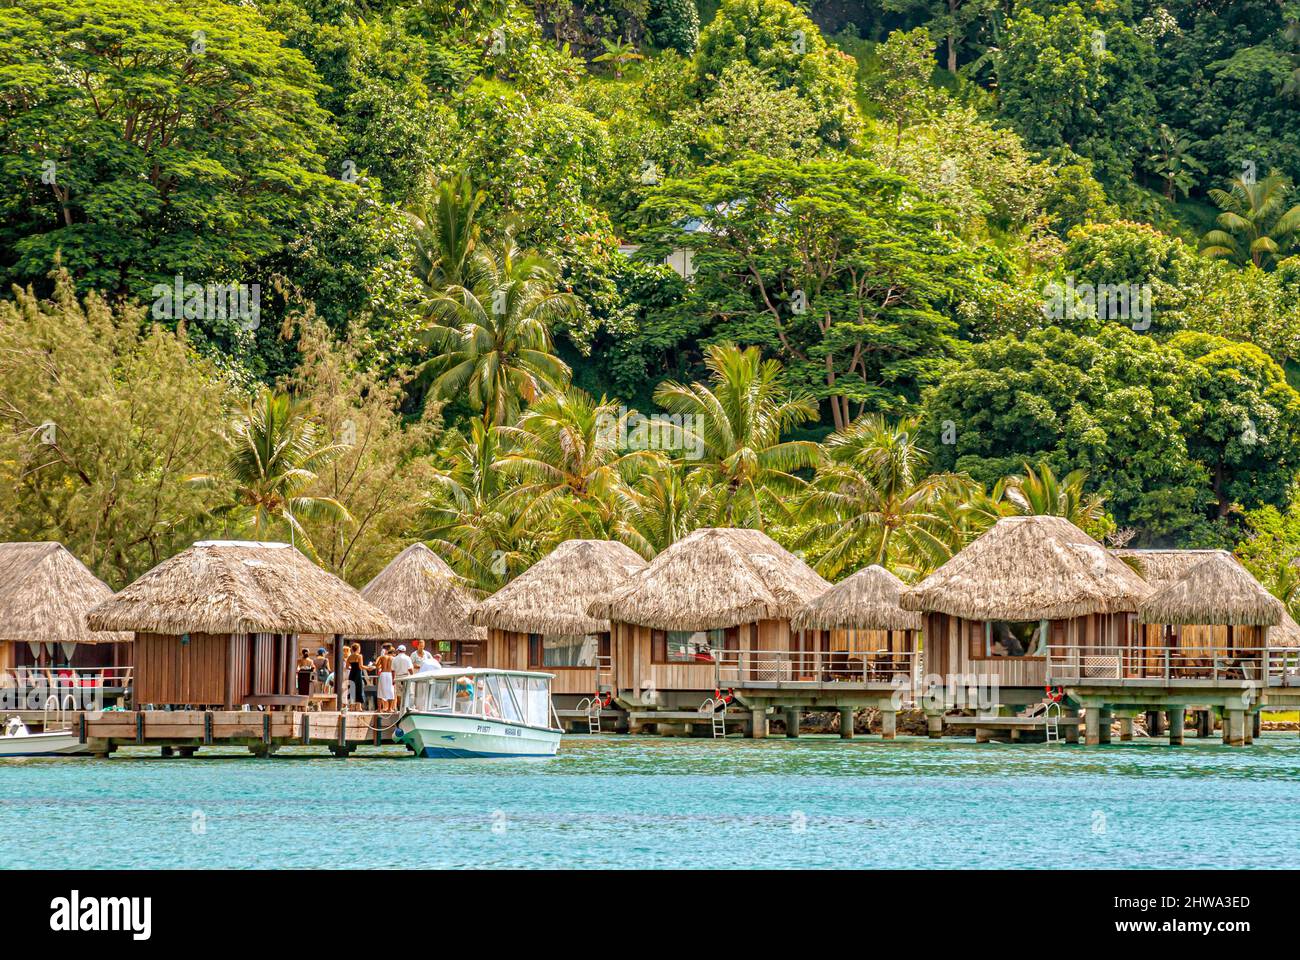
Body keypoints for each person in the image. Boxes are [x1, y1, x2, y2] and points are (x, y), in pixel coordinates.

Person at [346, 643, 369, 712]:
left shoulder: (349, 657)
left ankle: (352, 707)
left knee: (352, 688)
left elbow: (347, 667)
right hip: (358, 673)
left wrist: (352, 669)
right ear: (358, 648)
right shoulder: (359, 656)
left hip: (352, 673)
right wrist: (368, 668)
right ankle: (358, 707)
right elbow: (361, 666)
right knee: (359, 689)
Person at [375, 644, 395, 712]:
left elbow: (377, 666)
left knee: (380, 691)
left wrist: (381, 665)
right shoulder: (392, 658)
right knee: (390, 691)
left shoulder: (382, 657)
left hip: (383, 674)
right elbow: (394, 669)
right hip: (390, 674)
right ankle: (389, 709)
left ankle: (379, 709)